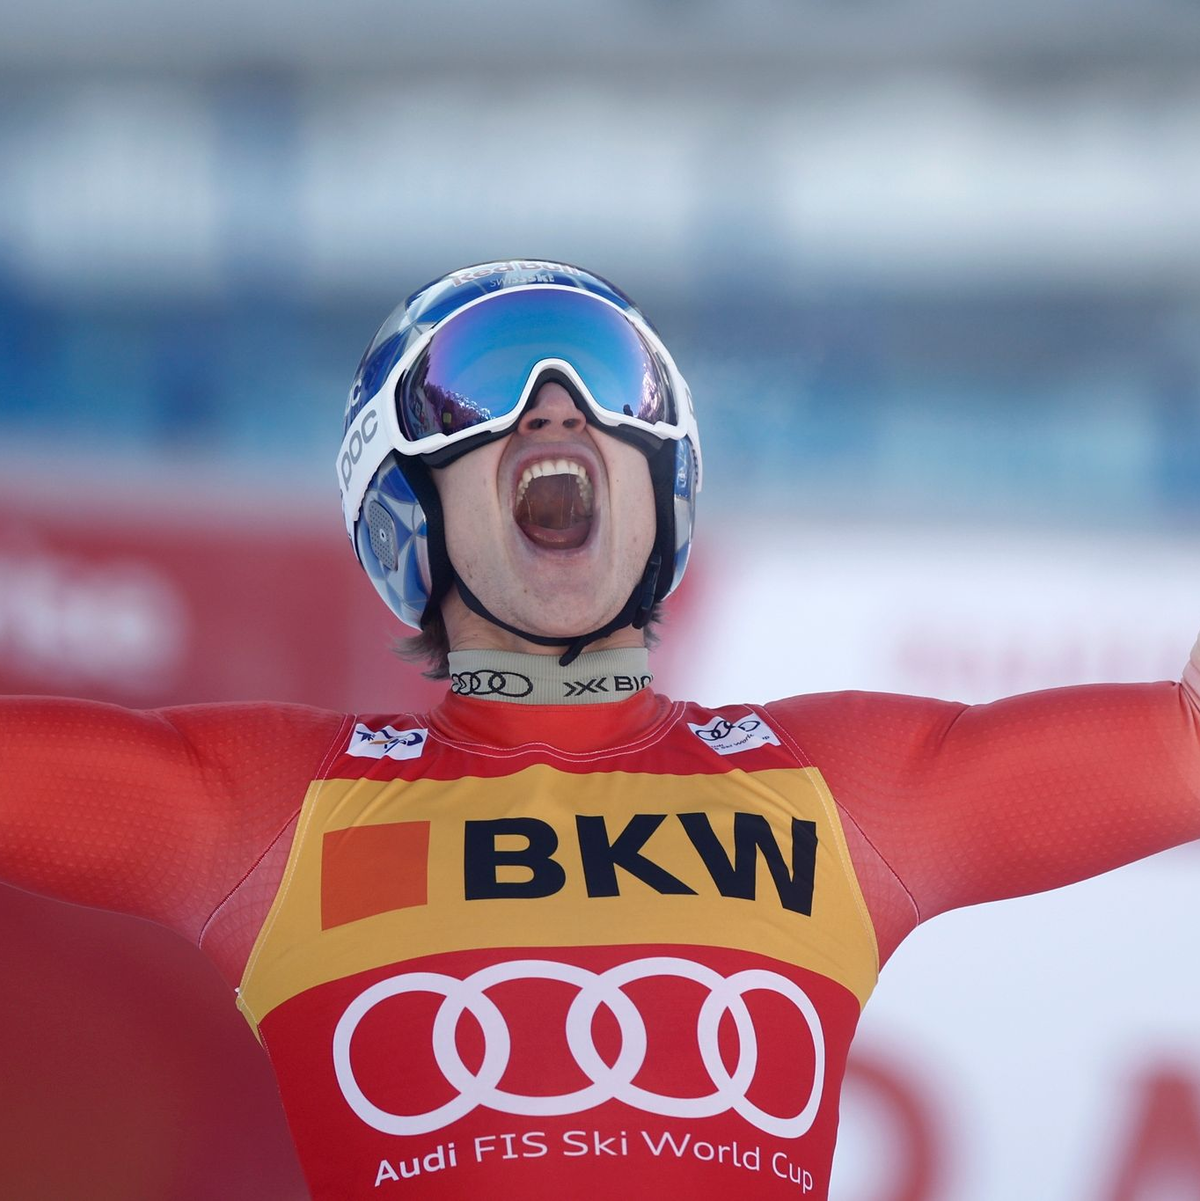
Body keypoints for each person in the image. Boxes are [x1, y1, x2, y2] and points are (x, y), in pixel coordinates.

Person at [2, 259, 1198, 1201]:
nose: (555, 407)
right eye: (481, 392)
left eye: (607, 388)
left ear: (660, 483)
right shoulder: (271, 810)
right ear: (403, 510)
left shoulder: (841, 793)